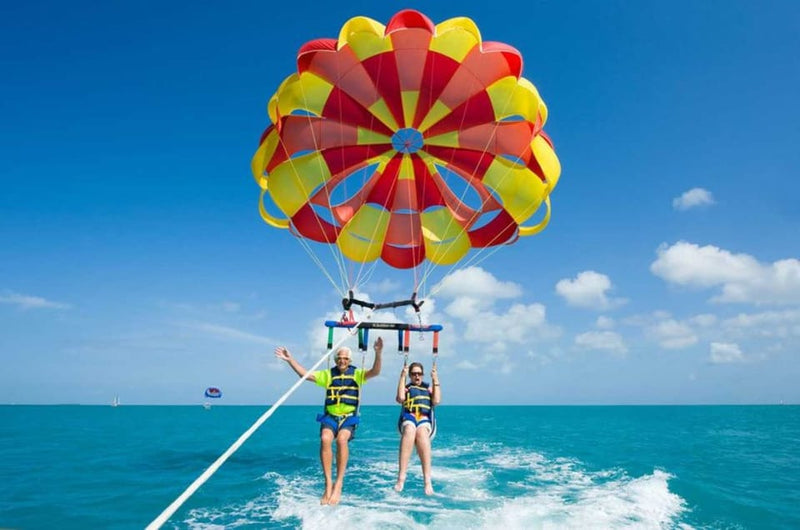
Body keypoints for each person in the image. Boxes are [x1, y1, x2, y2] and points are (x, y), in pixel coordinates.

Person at [274, 337, 383, 505]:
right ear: (335, 359)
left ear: (350, 360)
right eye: (339, 357)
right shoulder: (328, 375)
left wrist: (378, 353)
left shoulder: (357, 373)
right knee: (325, 439)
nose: (342, 360)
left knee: (341, 440)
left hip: (348, 417)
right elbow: (304, 375)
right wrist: (290, 360)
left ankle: (339, 483)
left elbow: (375, 372)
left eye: (345, 358)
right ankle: (328, 483)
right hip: (330, 416)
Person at [394, 361, 440, 494]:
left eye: (419, 374)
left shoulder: (428, 389)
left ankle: (427, 481)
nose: (417, 376)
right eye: (413, 374)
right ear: (410, 375)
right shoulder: (407, 388)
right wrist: (402, 377)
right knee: (409, 430)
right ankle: (401, 478)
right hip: (409, 418)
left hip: (424, 419)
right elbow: (400, 398)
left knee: (421, 433)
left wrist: (435, 379)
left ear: (423, 375)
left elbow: (436, 401)